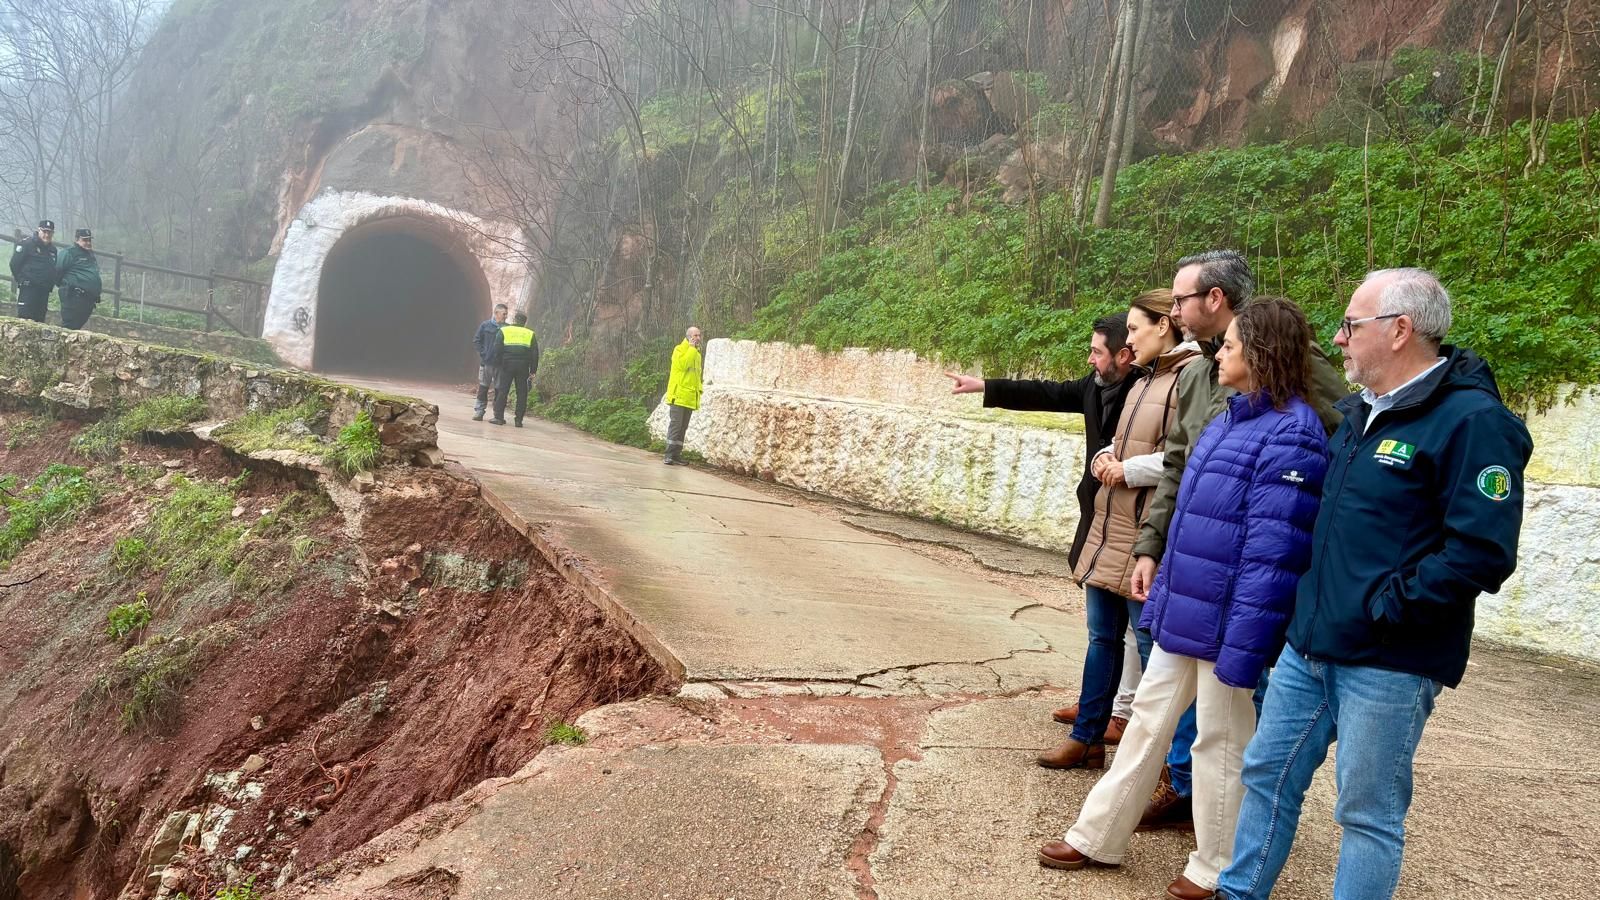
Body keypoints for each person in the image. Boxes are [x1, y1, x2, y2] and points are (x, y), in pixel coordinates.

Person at [1216, 270, 1533, 900]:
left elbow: (1482, 552)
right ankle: (1238, 891)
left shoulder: (1474, 422)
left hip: (1391, 658)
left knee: (1366, 815)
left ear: (1399, 330)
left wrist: (1389, 608)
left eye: (1350, 325)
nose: (1338, 339)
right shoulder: (1361, 412)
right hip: (1311, 646)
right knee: (1266, 775)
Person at [1040, 297, 1330, 900]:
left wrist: (1246, 643)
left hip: (1229, 621)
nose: (1219, 354)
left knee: (1220, 741)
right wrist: (1162, 579)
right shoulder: (1228, 418)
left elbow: (1275, 551)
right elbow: (1191, 517)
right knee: (1147, 722)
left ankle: (1214, 865)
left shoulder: (1295, 435)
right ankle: (1098, 836)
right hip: (1187, 606)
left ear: (1262, 355)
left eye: (1232, 346)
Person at [1127, 250, 1346, 833]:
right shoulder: (1200, 371)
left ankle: (1233, 824)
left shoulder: (1297, 366)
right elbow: (1179, 465)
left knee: (1233, 710)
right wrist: (1152, 545)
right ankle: (1185, 793)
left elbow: (1334, 446)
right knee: (1164, 701)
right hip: (1194, 566)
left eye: (1180, 299)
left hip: (1248, 572)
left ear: (1215, 298)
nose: (1173, 310)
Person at [1036, 290, 1198, 770]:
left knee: (1150, 650)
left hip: (1147, 533)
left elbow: (1187, 457)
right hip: (1112, 528)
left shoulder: (1191, 377)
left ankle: (1165, 766)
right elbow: (1122, 440)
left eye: (1133, 329)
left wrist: (1126, 469)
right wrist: (1105, 456)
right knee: (1102, 638)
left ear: (1163, 326)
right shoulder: (1145, 378)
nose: (1127, 341)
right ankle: (1087, 738)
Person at [663, 326, 704, 465]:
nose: (698, 338)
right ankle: (668, 455)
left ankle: (676, 455)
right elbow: (683, 365)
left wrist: (699, 391)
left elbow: (696, 376)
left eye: (699, 335)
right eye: (695, 335)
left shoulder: (697, 354)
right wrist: (691, 348)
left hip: (689, 397)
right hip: (678, 395)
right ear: (688, 336)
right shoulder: (679, 349)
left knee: (683, 427)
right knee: (676, 425)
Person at [490, 311, 539, 427]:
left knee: (503, 390)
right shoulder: (530, 334)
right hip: (523, 366)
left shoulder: (504, 331)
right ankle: (518, 420)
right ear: (525, 322)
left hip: (506, 365)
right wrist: (533, 370)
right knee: (522, 393)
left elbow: (497, 349)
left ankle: (499, 418)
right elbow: (535, 354)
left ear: (514, 320)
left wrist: (498, 363)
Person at [9, 220, 58, 323]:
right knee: (25, 321)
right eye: (44, 232)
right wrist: (22, 280)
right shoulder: (27, 244)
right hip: (28, 289)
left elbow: (53, 269)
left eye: (49, 232)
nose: (47, 235)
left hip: (43, 291)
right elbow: (14, 264)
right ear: (39, 230)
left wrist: (49, 285)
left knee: (40, 322)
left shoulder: (53, 250)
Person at [56, 229, 101, 329]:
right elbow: (58, 270)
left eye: (89, 240)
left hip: (88, 299)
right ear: (77, 240)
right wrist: (64, 285)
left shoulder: (90, 255)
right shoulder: (69, 252)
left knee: (77, 327)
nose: (88, 243)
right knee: (69, 327)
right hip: (74, 296)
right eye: (84, 240)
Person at [472, 303, 508, 421]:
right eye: (504, 314)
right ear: (496, 313)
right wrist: (484, 353)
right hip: (486, 363)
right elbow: (477, 340)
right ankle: (479, 411)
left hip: (500, 365)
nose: (506, 316)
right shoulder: (485, 325)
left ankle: (497, 414)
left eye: (506, 314)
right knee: (483, 387)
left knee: (499, 390)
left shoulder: (507, 328)